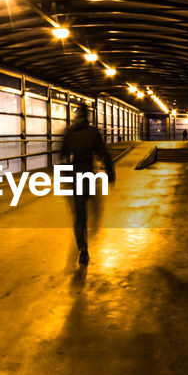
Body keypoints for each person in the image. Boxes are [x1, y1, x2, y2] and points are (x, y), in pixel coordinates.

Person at [58, 105, 115, 265]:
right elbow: (104, 154)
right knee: (92, 210)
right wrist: (110, 174)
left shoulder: (69, 132)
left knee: (79, 215)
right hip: (88, 176)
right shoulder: (92, 133)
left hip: (75, 179)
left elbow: (62, 155)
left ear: (76, 116)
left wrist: (65, 175)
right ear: (88, 116)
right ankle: (88, 230)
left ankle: (83, 248)